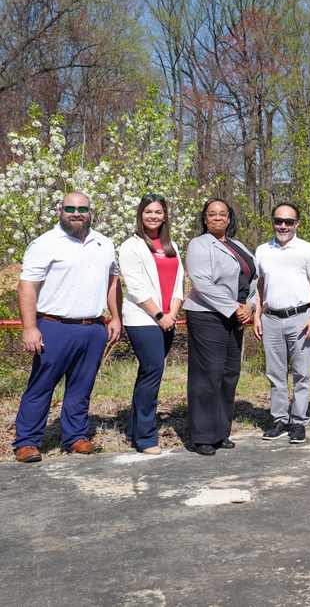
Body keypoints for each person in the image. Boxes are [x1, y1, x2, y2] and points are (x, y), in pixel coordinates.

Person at [13, 192, 122, 463]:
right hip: (54, 327)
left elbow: (113, 282)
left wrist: (116, 317)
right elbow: (27, 286)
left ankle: (75, 437)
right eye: (70, 208)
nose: (76, 213)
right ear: (60, 210)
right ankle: (27, 442)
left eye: (82, 209)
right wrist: (29, 328)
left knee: (81, 387)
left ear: (90, 211)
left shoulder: (104, 243)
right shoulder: (45, 243)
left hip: (93, 327)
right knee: (41, 386)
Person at [183, 198, 258, 457]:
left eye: (223, 214)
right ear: (204, 218)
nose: (218, 218)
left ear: (229, 218)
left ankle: (220, 431)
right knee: (207, 375)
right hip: (208, 315)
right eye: (212, 214)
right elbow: (201, 282)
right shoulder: (199, 244)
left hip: (236, 316)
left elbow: (254, 279)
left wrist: (251, 306)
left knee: (228, 374)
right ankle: (203, 436)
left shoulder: (238, 245)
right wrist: (234, 307)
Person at [118, 193, 185, 455]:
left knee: (148, 373)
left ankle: (134, 430)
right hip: (143, 319)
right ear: (140, 215)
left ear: (165, 216)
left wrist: (172, 313)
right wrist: (159, 315)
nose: (153, 216)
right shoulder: (131, 246)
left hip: (168, 318)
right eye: (148, 212)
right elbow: (135, 287)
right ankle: (145, 438)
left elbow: (179, 281)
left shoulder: (171, 245)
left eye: (158, 212)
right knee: (152, 370)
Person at [253, 203, 310, 445]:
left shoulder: (308, 250)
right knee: (275, 373)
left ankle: (300, 421)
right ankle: (280, 420)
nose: (283, 226)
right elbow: (259, 286)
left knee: (302, 373)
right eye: (278, 221)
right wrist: (256, 315)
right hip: (271, 318)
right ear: (272, 222)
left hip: (300, 318)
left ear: (297, 224)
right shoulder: (262, 250)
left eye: (288, 222)